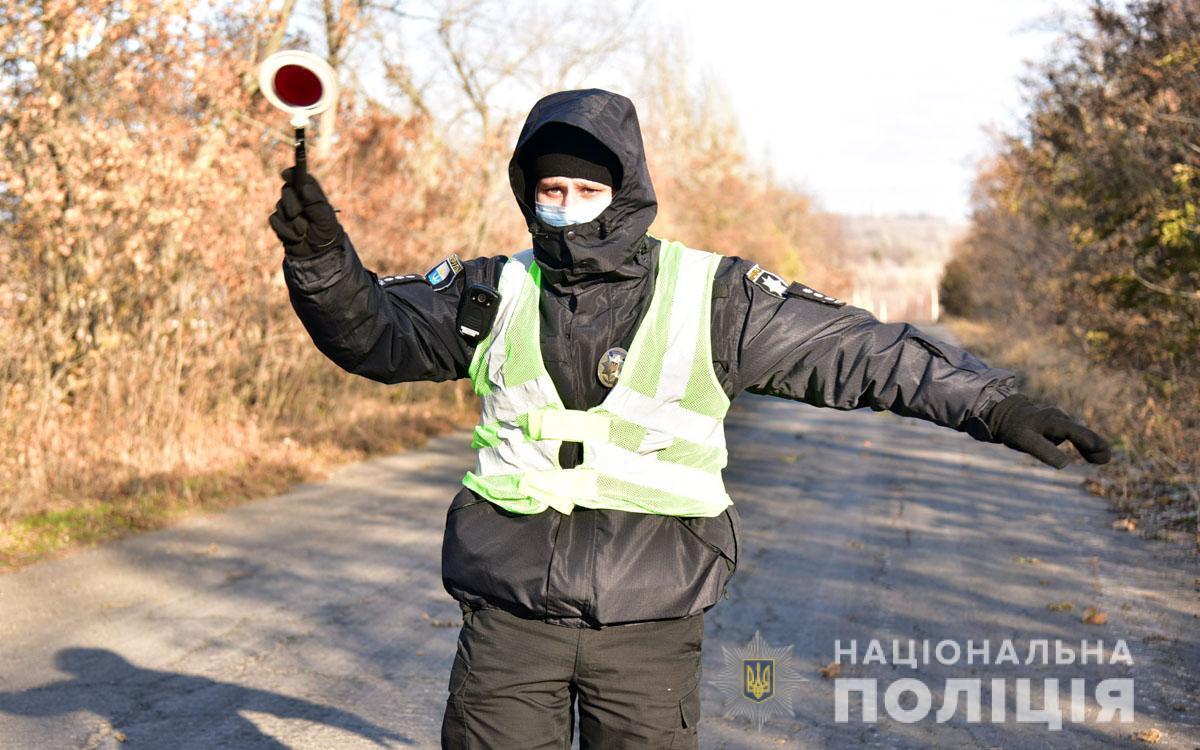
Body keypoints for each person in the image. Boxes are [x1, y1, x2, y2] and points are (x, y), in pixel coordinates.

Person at [268, 88, 1111, 748]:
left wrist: (997, 406)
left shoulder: (716, 297)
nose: (568, 205)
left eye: (587, 188)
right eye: (551, 189)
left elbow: (865, 352)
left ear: (625, 191)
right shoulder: (492, 290)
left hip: (650, 625)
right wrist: (319, 259)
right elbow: (373, 335)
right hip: (508, 621)